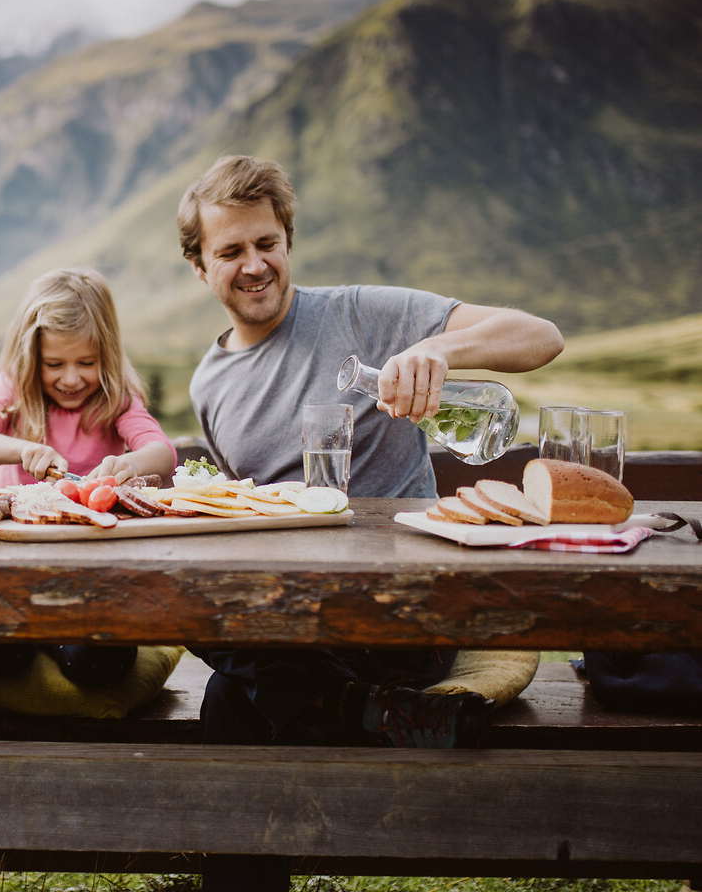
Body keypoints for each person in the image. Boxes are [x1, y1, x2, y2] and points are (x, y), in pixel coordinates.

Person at [178, 155, 564, 892]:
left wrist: (432, 350)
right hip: (291, 619)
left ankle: (343, 702)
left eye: (267, 243)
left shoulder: (361, 313)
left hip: (401, 608)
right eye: (230, 251)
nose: (254, 265)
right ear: (200, 268)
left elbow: (539, 335)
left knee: (237, 694)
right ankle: (353, 708)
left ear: (287, 242)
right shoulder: (209, 382)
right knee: (222, 673)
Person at [0, 266, 178, 687]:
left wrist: (131, 465)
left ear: (105, 355)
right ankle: (9, 639)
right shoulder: (15, 387)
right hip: (7, 575)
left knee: (103, 665)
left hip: (86, 582)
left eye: (86, 363)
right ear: (32, 357)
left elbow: (162, 451)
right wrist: (23, 448)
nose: (71, 379)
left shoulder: (117, 398)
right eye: (54, 364)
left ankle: (49, 639)